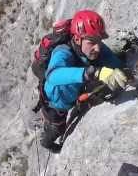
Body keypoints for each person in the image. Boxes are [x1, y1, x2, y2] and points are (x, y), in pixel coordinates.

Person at [38, 10, 128, 153]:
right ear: (78, 39)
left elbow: (114, 63)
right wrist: (90, 73)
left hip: (74, 91)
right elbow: (53, 75)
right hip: (55, 102)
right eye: (92, 42)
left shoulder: (95, 47)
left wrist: (125, 73)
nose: (97, 47)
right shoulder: (62, 52)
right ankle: (46, 142)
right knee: (58, 128)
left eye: (99, 41)